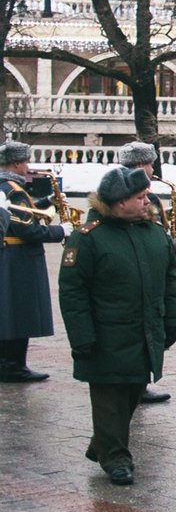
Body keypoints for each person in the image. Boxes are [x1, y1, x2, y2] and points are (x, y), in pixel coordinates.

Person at [58, 166, 176, 486]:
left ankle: (102, 443)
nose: (147, 202)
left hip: (144, 332)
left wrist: (172, 321)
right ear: (118, 202)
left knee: (133, 390)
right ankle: (116, 459)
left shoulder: (154, 233)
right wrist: (82, 336)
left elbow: (170, 280)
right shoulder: (88, 238)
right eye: (139, 197)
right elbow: (73, 291)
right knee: (110, 394)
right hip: (107, 334)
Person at [114, 141, 176, 402]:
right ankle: (137, 385)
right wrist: (171, 246)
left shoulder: (115, 189)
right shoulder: (143, 197)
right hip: (145, 274)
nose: (154, 169)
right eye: (151, 164)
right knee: (144, 327)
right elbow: (148, 237)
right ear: (141, 165)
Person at [1, 139, 66, 383]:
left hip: (7, 255)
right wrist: (62, 231)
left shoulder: (5, 187)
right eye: (25, 161)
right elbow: (27, 230)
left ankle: (7, 363)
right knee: (19, 312)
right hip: (19, 259)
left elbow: (20, 215)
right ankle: (13, 365)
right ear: (16, 163)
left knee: (7, 311)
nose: (28, 166)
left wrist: (45, 202)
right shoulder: (15, 191)